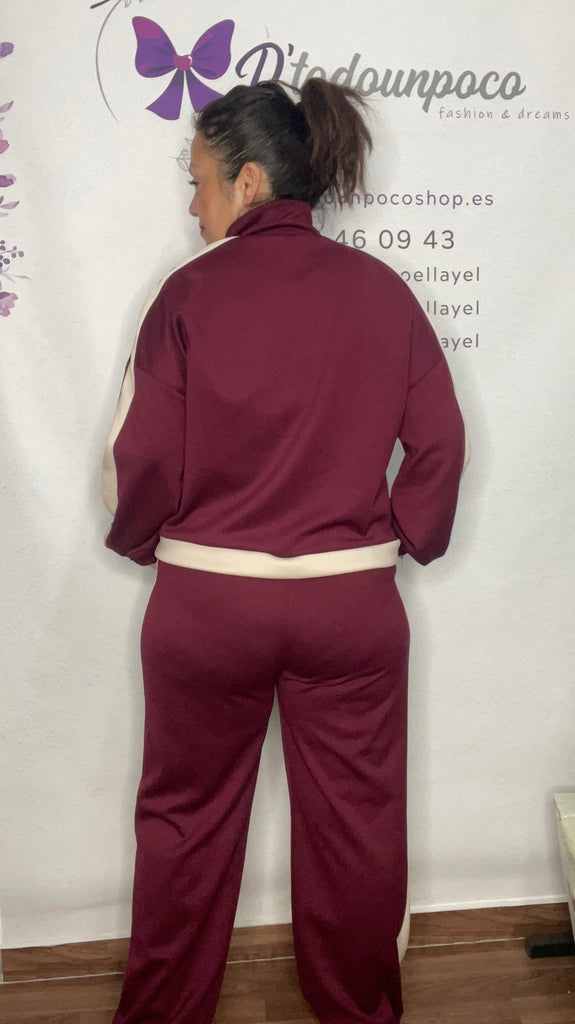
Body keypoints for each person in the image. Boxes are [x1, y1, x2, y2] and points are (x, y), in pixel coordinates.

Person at [102, 78, 469, 1024]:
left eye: (199, 182)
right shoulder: (381, 292)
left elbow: (142, 455)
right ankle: (359, 1012)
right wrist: (404, 540)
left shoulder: (187, 295)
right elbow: (440, 441)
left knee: (184, 825)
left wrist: (143, 539)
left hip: (208, 607)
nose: (193, 206)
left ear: (249, 180)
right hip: (348, 609)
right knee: (356, 827)